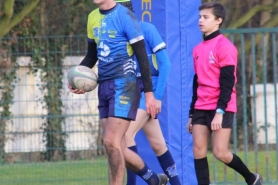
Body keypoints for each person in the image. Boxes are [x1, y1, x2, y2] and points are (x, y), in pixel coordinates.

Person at [68, 0, 168, 184]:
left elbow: (142, 58)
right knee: (118, 146)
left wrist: (149, 94)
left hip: (125, 85)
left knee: (110, 142)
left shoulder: (125, 16)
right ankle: (152, 179)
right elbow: (92, 55)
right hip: (104, 86)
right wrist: (76, 77)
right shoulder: (92, 17)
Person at [186, 2, 262, 185]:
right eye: (199, 17)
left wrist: (219, 112)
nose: (200, 21)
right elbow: (197, 82)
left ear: (218, 20)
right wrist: (191, 113)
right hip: (200, 107)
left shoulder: (225, 46)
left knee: (220, 152)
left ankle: (252, 178)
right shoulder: (197, 49)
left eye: (206, 17)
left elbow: (228, 82)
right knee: (198, 150)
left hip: (221, 106)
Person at [114, 1, 182, 185]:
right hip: (130, 93)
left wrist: (157, 97)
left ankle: (144, 180)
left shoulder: (146, 29)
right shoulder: (117, 37)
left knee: (124, 136)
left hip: (147, 93)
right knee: (158, 144)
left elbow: (166, 65)